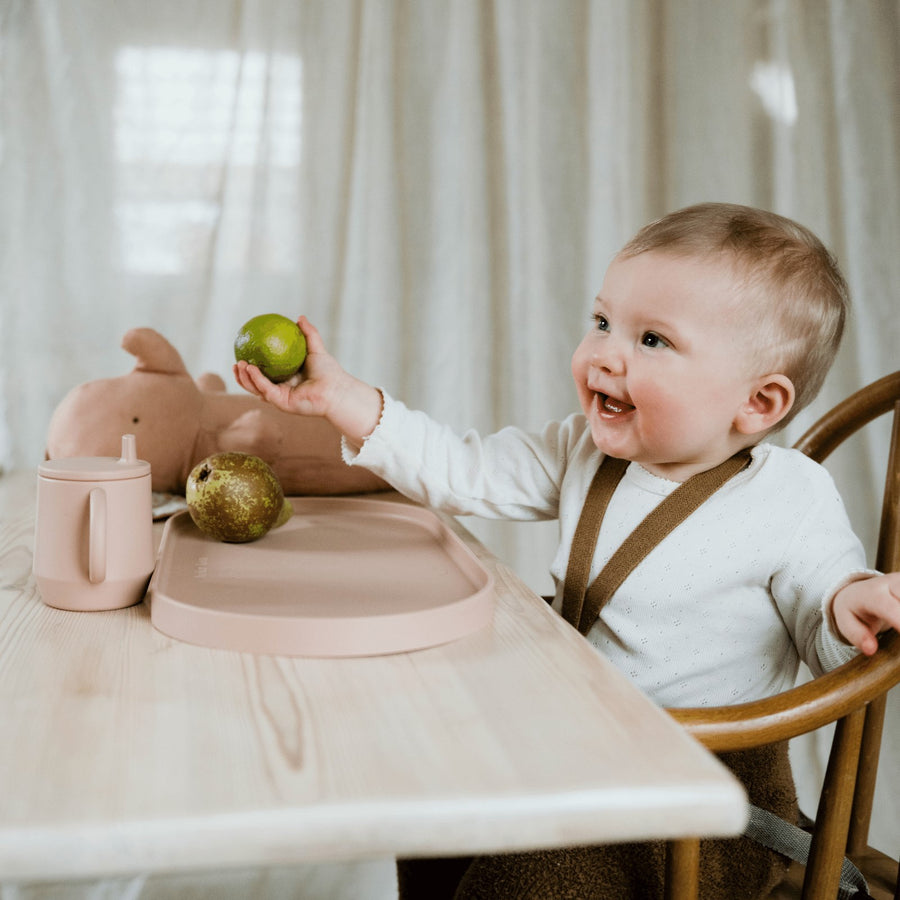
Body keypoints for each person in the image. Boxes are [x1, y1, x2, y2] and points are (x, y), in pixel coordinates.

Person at [234, 203, 900, 899]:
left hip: (699, 803)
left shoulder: (789, 496)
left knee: (516, 886)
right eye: (604, 322)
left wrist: (853, 602)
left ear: (758, 404)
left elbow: (824, 598)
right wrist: (343, 397)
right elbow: (462, 471)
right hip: (573, 745)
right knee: (433, 811)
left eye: (654, 341)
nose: (606, 354)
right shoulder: (582, 451)